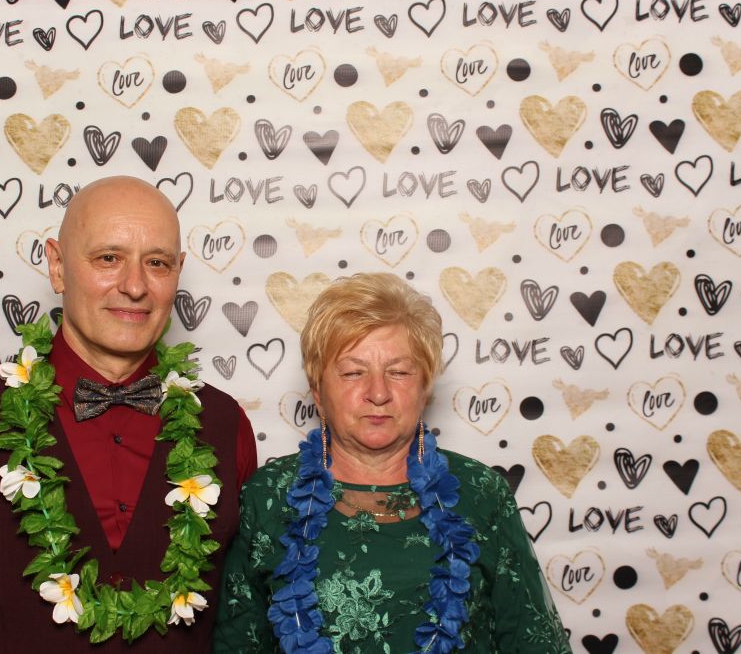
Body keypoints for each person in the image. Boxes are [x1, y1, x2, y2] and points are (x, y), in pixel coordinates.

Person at [0, 176, 257, 652]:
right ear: (57, 267)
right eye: (108, 258)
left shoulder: (226, 426)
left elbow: (237, 611)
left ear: (178, 273)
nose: (135, 286)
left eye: (157, 263)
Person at [213, 273, 570, 653]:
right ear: (317, 391)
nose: (378, 393)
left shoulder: (482, 493)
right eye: (353, 372)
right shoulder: (268, 496)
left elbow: (533, 642)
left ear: (425, 387)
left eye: (399, 372)